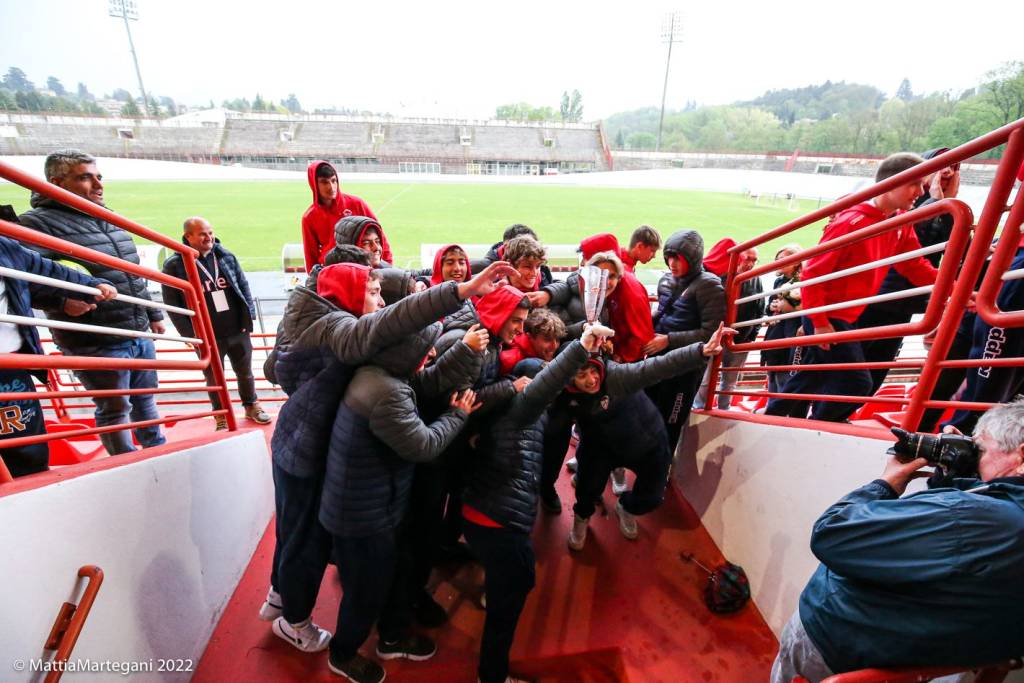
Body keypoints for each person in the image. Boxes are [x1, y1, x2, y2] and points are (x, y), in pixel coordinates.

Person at [259, 261, 517, 655]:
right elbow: (382, 333)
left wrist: (461, 347)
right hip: (302, 452)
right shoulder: (337, 329)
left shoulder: (353, 339)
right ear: (346, 295)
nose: (380, 303)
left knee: (302, 537)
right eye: (373, 293)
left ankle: (283, 596)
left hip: (313, 449)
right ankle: (293, 619)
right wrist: (460, 292)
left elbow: (413, 370)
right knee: (303, 541)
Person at [772, 398, 1024, 682]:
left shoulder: (976, 517)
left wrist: (885, 483)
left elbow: (832, 532)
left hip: (838, 645)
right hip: (916, 654)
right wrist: (954, 480)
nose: (974, 455)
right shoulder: (996, 513)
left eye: (979, 448)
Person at [461, 322, 611, 683]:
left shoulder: (503, 412)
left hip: (483, 516)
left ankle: (494, 597)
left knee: (519, 576)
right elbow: (543, 388)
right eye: (541, 381)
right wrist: (582, 345)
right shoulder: (522, 408)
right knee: (508, 604)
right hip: (499, 522)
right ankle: (491, 677)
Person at [765, 153, 939, 423]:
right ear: (892, 182)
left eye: (923, 185)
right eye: (915, 184)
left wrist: (952, 289)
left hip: (846, 316)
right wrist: (820, 323)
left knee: (809, 376)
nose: (920, 192)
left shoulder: (900, 223)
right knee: (857, 383)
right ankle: (821, 424)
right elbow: (813, 272)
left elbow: (913, 265)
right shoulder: (851, 221)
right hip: (828, 314)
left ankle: (773, 417)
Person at [19, 149, 167, 455]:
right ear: (57, 182)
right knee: (115, 409)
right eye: (85, 177)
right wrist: (61, 301)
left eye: (98, 176)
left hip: (137, 330)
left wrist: (152, 312)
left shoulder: (107, 217)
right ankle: (124, 464)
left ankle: (158, 452)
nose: (98, 184)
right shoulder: (36, 224)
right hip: (95, 340)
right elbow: (23, 277)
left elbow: (133, 273)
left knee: (146, 399)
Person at [565, 323, 734, 551]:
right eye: (581, 375)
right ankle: (581, 518)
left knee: (652, 496)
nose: (592, 380)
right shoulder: (564, 396)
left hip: (645, 441)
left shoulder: (615, 375)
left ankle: (626, 507)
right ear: (569, 381)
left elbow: (658, 367)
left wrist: (700, 351)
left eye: (594, 371)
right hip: (600, 448)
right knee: (587, 490)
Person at [0, 236, 116, 477]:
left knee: (26, 446)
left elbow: (48, 270)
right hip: (11, 364)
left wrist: (90, 285)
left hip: (11, 364)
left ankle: (28, 497)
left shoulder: (5, 247)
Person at [856, 148, 963, 398]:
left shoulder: (948, 209)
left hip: (906, 302)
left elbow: (956, 247)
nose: (947, 171)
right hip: (879, 297)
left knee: (876, 369)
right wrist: (936, 202)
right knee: (854, 370)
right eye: (941, 165)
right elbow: (907, 237)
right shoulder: (904, 207)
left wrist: (946, 204)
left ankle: (839, 414)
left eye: (955, 167)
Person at [162, 216, 270, 429]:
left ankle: (251, 405)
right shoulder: (175, 265)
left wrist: (249, 317)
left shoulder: (225, 255)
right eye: (202, 234)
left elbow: (243, 285)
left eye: (210, 232)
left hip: (237, 329)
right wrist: (190, 335)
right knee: (213, 378)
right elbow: (172, 304)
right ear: (188, 237)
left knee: (245, 372)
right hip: (206, 334)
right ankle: (220, 413)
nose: (209, 237)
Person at [643, 229, 726, 451]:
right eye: (669, 257)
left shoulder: (710, 285)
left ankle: (659, 476)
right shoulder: (666, 280)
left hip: (686, 370)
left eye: (678, 258)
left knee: (671, 423)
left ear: (693, 259)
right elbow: (661, 314)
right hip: (657, 361)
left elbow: (711, 333)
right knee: (646, 414)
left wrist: (668, 340)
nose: (672, 263)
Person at [694, 245, 762, 410]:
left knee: (729, 381)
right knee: (705, 379)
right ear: (738, 258)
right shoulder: (720, 276)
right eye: (748, 259)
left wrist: (752, 335)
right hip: (715, 338)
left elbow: (760, 307)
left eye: (754, 260)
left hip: (740, 340)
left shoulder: (755, 279)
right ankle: (699, 408)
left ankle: (724, 410)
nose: (751, 264)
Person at [301, 160, 377, 272]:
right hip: (332, 273)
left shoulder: (356, 204)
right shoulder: (309, 217)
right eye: (324, 182)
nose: (331, 187)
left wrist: (386, 264)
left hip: (361, 269)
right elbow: (310, 256)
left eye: (333, 181)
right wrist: (315, 282)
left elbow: (379, 236)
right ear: (314, 184)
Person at [761, 244, 803, 396]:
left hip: (791, 334)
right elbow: (770, 306)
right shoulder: (778, 282)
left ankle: (780, 410)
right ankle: (773, 407)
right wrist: (772, 307)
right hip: (775, 332)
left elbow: (805, 308)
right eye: (776, 259)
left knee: (784, 376)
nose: (777, 262)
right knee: (772, 372)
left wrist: (787, 307)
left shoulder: (803, 281)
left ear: (796, 262)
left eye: (782, 259)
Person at [472, 223, 553, 290]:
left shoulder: (544, 277)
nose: (534, 273)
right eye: (527, 267)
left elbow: (562, 286)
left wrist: (549, 294)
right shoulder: (485, 284)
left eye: (538, 266)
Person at [498, 307, 566, 375]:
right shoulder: (509, 360)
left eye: (557, 340)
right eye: (547, 339)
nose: (554, 346)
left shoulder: (552, 351)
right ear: (530, 337)